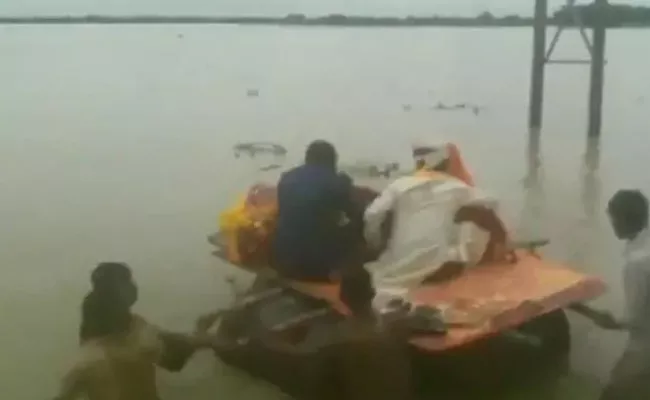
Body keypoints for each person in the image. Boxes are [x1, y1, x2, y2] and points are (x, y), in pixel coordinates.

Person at [363, 139, 511, 309]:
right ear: (445, 162)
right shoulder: (458, 188)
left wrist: (374, 242)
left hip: (396, 263)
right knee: (477, 214)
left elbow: (373, 214)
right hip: (440, 266)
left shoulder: (398, 185)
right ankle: (483, 256)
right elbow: (491, 204)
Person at [54, 262, 213, 400]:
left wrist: (200, 335)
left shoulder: (134, 327)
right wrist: (203, 337)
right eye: (128, 282)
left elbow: (173, 352)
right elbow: (173, 357)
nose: (133, 285)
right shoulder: (138, 339)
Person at [572, 190, 650, 399]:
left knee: (615, 393)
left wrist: (595, 315)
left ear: (622, 220)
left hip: (644, 348)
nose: (612, 223)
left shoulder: (636, 265)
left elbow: (635, 319)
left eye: (613, 218)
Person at [273, 140, 364, 281]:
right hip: (317, 260)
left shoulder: (286, 178)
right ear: (332, 160)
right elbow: (352, 212)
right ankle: (349, 273)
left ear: (307, 158)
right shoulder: (337, 182)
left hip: (283, 253)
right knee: (358, 224)